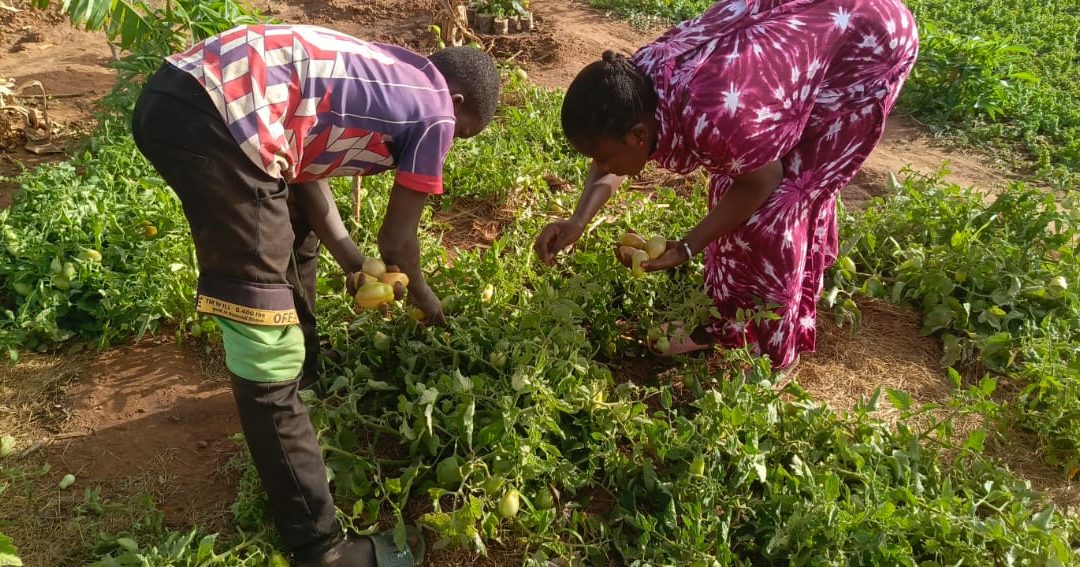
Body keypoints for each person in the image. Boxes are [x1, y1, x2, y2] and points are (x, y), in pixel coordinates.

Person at [131, 23, 500, 566]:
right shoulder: (438, 108)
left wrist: (353, 265)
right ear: (460, 101)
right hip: (214, 114)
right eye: (462, 136)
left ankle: (306, 378)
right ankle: (322, 549)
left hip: (183, 94)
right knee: (265, 340)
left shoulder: (387, 72)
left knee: (294, 223)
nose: (450, 143)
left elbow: (308, 182)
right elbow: (397, 239)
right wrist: (425, 297)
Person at [535, 0, 918, 372]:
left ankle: (775, 354)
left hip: (869, 39)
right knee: (733, 188)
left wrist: (688, 246)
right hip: (809, 27)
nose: (599, 167)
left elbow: (763, 179)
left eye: (601, 157)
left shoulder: (714, 123)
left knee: (777, 210)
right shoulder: (635, 89)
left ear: (638, 135)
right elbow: (616, 155)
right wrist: (578, 221)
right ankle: (725, 322)